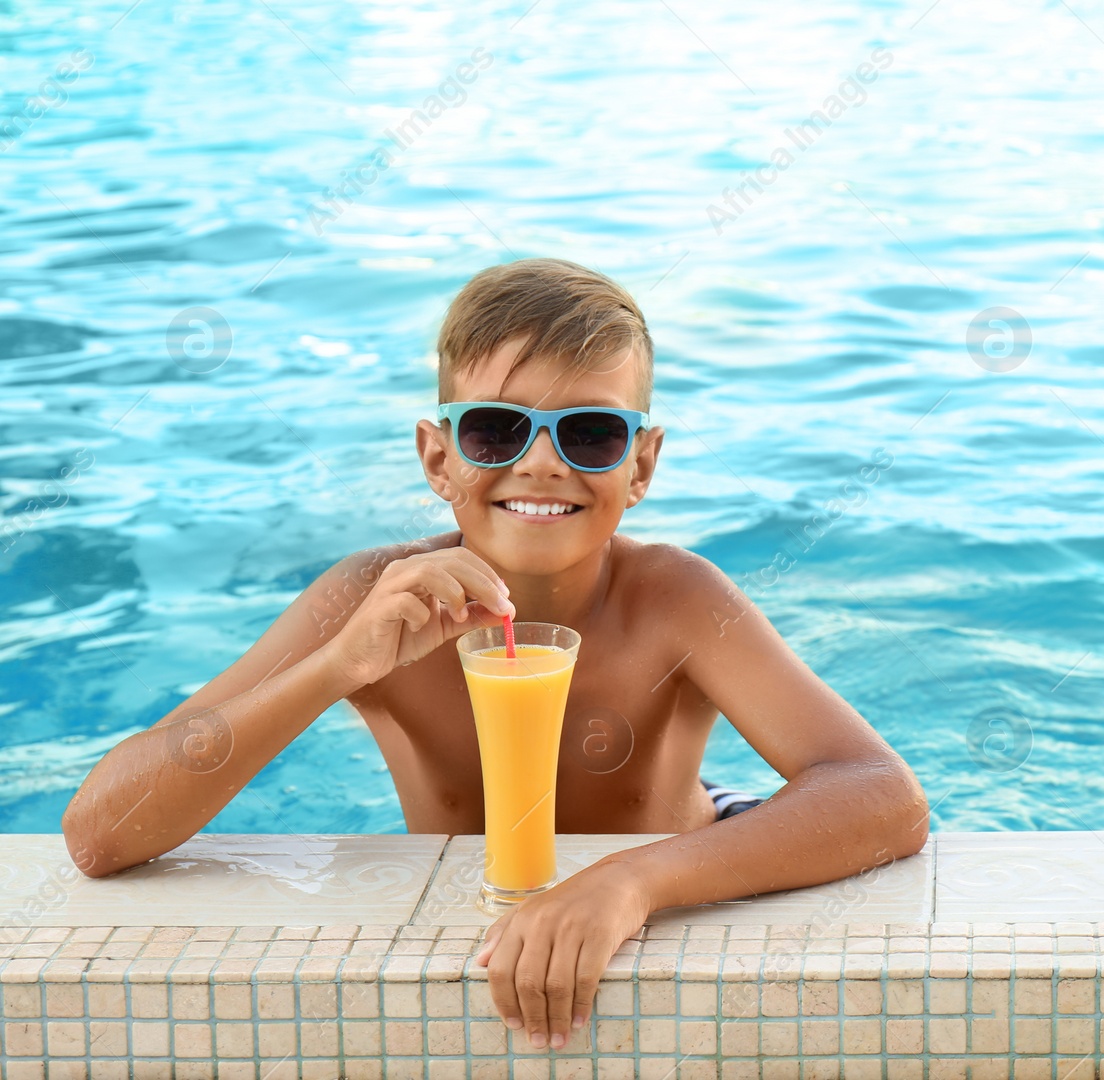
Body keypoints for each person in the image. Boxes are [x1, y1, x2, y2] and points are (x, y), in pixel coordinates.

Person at [61, 257, 928, 1048]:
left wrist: (632, 883)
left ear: (641, 466)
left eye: (589, 434)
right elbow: (100, 834)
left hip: (684, 850)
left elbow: (882, 795)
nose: (542, 464)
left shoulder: (675, 599)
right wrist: (333, 670)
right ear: (438, 457)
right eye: (494, 432)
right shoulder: (366, 601)